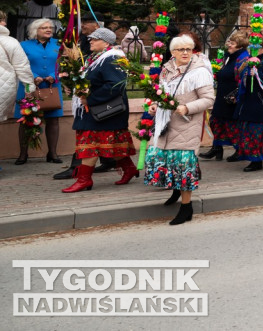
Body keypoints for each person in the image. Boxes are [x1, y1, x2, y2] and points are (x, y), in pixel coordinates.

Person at [145, 35, 215, 225]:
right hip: (166, 124)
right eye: (181, 50)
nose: (185, 53)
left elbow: (209, 99)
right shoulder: (167, 69)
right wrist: (155, 107)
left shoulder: (199, 71)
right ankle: (176, 193)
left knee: (184, 167)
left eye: (189, 49)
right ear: (173, 52)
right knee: (168, 162)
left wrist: (187, 107)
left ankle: (187, 208)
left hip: (186, 124)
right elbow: (162, 95)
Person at [62, 27, 138, 192]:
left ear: (106, 43)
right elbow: (90, 80)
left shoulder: (112, 59)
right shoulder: (95, 58)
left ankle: (84, 180)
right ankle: (129, 169)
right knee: (111, 144)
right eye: (90, 39)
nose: (90, 41)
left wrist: (89, 98)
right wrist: (74, 88)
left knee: (90, 144)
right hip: (95, 110)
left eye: (94, 39)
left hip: (104, 110)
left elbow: (115, 86)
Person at [15, 18, 63, 163]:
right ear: (35, 31)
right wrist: (33, 77)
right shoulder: (24, 46)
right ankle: (23, 154)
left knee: (53, 119)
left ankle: (52, 153)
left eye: (50, 27)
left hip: (52, 86)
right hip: (29, 86)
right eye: (44, 28)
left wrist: (54, 76)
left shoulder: (59, 45)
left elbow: (64, 64)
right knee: (26, 119)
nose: (49, 30)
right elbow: (20, 64)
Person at [230, 39, 263, 172]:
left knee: (256, 133)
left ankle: (257, 160)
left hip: (261, 105)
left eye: (256, 48)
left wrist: (258, 73)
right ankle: (251, 157)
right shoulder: (252, 61)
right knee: (247, 131)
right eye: (251, 48)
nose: (252, 50)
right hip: (249, 103)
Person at [200, 30, 247, 162]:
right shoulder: (229, 57)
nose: (229, 45)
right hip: (222, 95)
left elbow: (243, 79)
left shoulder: (243, 59)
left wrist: (236, 95)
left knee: (232, 125)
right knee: (216, 121)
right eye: (229, 42)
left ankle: (239, 150)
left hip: (232, 98)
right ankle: (217, 148)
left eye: (232, 43)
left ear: (240, 46)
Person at [1, 10, 35, 123]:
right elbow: (22, 68)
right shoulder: (11, 42)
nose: (5, 23)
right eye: (3, 20)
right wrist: (29, 89)